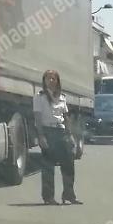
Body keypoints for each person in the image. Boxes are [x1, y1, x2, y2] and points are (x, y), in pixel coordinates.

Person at [33, 68, 81, 205]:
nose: (51, 81)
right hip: (48, 132)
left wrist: (70, 135)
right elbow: (37, 117)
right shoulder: (39, 97)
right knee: (48, 167)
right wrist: (41, 136)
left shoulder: (62, 97)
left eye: (54, 78)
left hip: (61, 132)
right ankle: (48, 197)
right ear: (44, 81)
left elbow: (65, 117)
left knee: (68, 165)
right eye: (49, 78)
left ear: (58, 81)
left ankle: (69, 195)